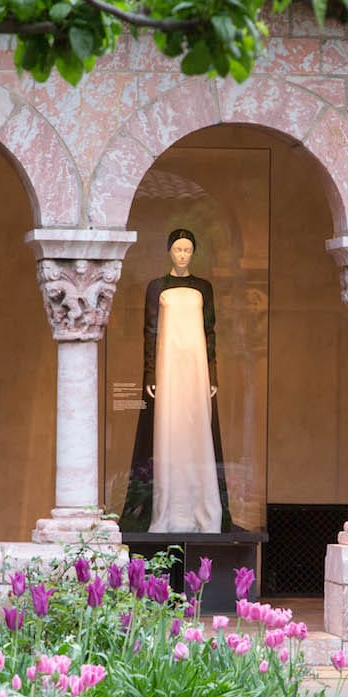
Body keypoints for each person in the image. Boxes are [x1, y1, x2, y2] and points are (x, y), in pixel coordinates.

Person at [121, 228, 232, 533]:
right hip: (168, 368)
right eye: (178, 249)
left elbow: (211, 333)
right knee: (168, 430)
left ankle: (202, 511)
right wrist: (150, 374)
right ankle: (166, 511)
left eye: (187, 250)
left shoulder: (204, 288)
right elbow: (149, 333)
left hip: (196, 369)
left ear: (193, 253)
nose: (183, 255)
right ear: (169, 251)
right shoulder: (156, 287)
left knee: (196, 430)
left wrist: (213, 373)